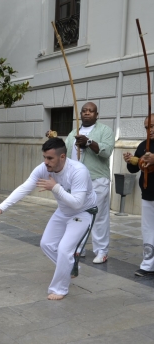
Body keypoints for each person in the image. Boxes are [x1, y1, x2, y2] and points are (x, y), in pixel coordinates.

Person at [0, 138, 97, 301]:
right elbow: (25, 187)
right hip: (64, 211)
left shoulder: (79, 171)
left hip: (83, 212)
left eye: (50, 158)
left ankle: (60, 289)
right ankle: (70, 267)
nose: (46, 162)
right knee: (46, 244)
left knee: (65, 249)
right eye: (44, 157)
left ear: (62, 157)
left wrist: (55, 188)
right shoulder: (43, 169)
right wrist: (1, 207)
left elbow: (78, 203)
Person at [65, 102, 115, 264]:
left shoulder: (105, 131)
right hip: (76, 182)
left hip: (96, 179)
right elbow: (66, 154)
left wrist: (88, 142)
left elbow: (106, 151)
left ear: (96, 114)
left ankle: (102, 251)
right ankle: (79, 247)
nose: (87, 113)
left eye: (91, 111)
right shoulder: (74, 132)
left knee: (98, 215)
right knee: (78, 215)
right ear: (80, 114)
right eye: (84, 111)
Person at [124, 114, 154, 277]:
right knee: (148, 230)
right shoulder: (144, 145)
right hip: (148, 193)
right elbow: (134, 170)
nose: (149, 130)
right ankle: (148, 265)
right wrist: (131, 161)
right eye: (146, 127)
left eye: (152, 126)